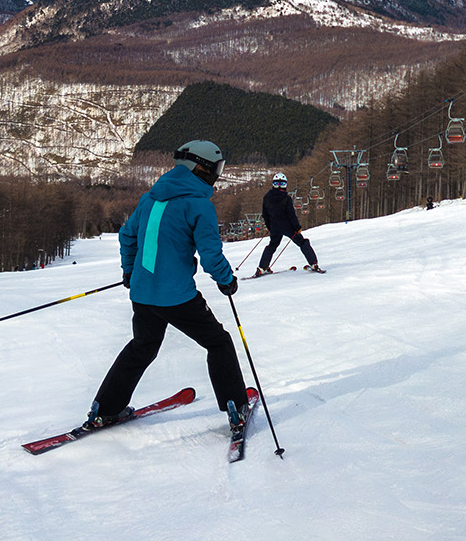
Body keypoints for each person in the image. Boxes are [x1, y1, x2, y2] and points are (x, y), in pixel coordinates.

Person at [85, 140, 249, 433]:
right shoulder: (198, 205)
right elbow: (211, 256)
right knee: (218, 342)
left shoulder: (150, 199)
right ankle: (236, 407)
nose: (218, 175)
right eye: (217, 168)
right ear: (201, 167)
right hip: (176, 297)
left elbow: (126, 236)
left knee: (142, 347)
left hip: (143, 294)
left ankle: (105, 409)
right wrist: (227, 280)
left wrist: (130, 271)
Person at [255, 173, 323, 274]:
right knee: (302, 242)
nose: (279, 186)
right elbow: (291, 215)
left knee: (272, 246)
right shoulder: (286, 198)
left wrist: (270, 227)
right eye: (278, 183)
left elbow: (265, 215)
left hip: (275, 227)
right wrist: (297, 227)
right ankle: (313, 263)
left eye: (280, 183)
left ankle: (262, 267)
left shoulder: (267, 197)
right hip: (288, 227)